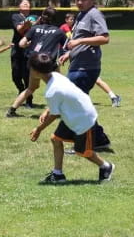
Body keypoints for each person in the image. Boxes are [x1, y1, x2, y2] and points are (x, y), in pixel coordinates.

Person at [29, 53, 115, 183]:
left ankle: (106, 166)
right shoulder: (56, 76)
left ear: (35, 72)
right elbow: (61, 98)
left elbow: (55, 114)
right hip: (75, 113)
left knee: (83, 152)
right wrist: (47, 109)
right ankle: (58, 175)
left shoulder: (52, 91)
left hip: (83, 118)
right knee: (56, 139)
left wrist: (39, 129)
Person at [58, 0, 111, 149]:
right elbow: (81, 40)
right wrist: (69, 53)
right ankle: (99, 139)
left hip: (86, 68)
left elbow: (104, 38)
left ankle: (84, 144)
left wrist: (80, 41)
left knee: (76, 105)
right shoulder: (81, 15)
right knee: (80, 104)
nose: (79, 2)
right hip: (77, 65)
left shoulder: (94, 15)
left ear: (92, 0)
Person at [6, 7, 66, 117]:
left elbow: (21, 44)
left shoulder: (35, 28)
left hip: (33, 63)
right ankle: (55, 111)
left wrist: (28, 45)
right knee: (58, 87)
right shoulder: (59, 32)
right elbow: (68, 45)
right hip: (46, 64)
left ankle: (12, 110)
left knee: (31, 88)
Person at [60, 13, 121, 107]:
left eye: (72, 19)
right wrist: (69, 53)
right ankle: (112, 96)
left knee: (91, 81)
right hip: (77, 57)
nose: (71, 21)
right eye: (70, 19)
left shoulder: (90, 24)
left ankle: (113, 96)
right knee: (94, 81)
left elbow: (102, 39)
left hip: (86, 60)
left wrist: (76, 43)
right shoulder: (73, 25)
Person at [10, 0, 36, 108]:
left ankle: (28, 99)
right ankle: (22, 92)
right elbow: (20, 30)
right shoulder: (16, 17)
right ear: (19, 6)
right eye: (23, 3)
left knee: (27, 75)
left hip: (29, 50)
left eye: (28, 3)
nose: (26, 4)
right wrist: (27, 24)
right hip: (17, 49)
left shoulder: (34, 17)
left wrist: (32, 23)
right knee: (16, 75)